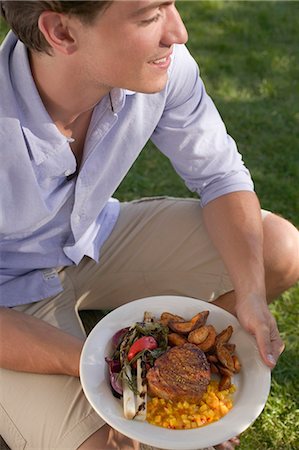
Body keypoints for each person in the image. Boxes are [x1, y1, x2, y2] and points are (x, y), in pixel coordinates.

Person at [0, 1, 298, 449]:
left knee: (280, 250)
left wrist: (251, 295)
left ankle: (197, 359)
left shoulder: (164, 65)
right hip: (7, 300)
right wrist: (122, 373)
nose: (178, 32)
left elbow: (220, 178)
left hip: (92, 241)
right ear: (61, 32)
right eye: (148, 17)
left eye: (171, 6)